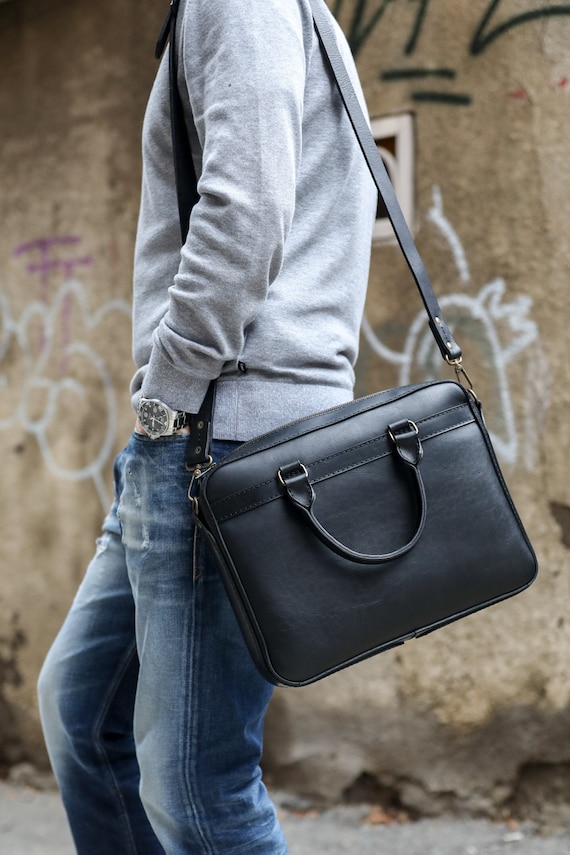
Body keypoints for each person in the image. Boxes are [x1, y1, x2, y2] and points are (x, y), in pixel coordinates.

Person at [37, 0, 376, 851]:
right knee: (82, 712)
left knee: (198, 782)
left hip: (217, 435)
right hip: (200, 429)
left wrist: (170, 391)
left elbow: (246, 210)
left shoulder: (242, 4)